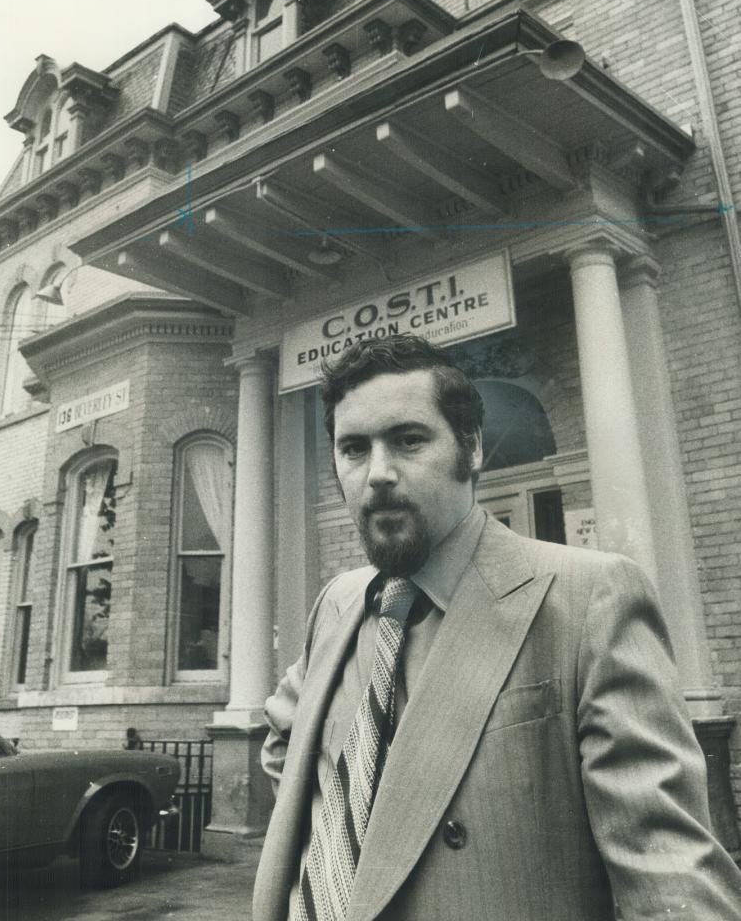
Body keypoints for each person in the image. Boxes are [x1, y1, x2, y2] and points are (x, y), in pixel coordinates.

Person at [253, 334, 741, 921]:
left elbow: (670, 877)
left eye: (408, 440)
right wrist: (344, 825)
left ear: (472, 448)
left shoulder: (591, 598)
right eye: (354, 448)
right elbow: (287, 736)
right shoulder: (339, 602)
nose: (378, 473)